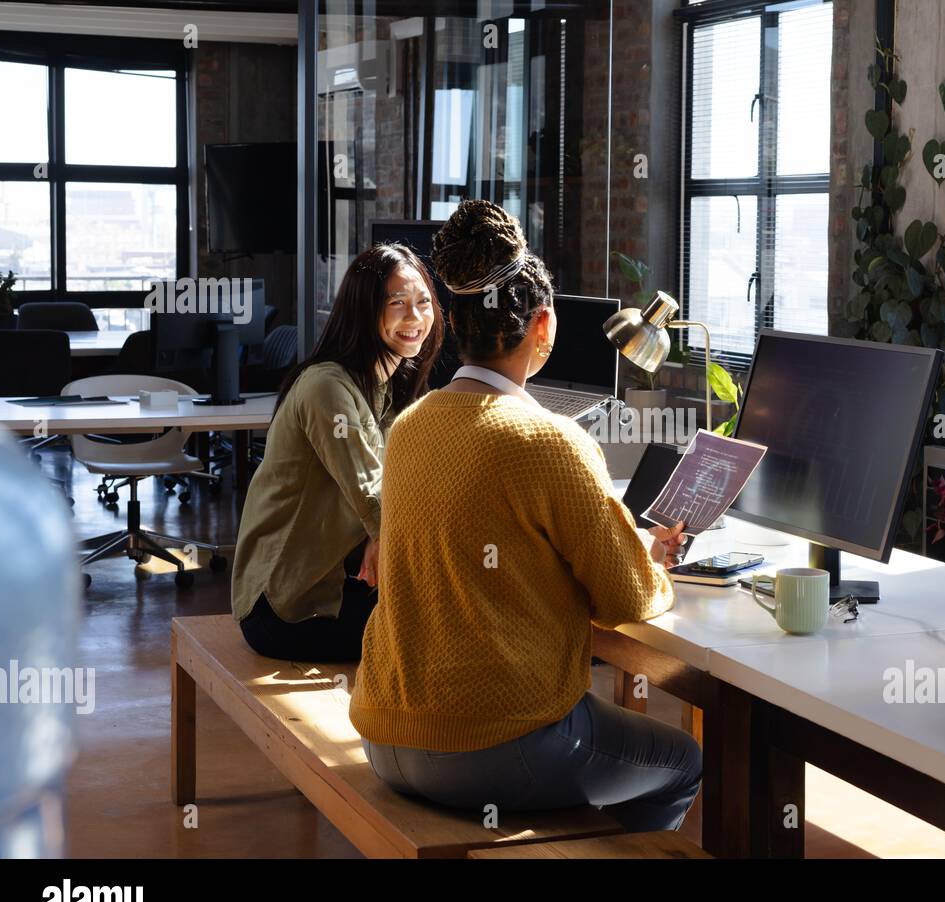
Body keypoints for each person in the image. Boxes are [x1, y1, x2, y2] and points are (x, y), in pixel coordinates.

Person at [350, 199, 701, 832]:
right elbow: (629, 599)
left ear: (453, 326)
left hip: (386, 734)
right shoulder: (553, 441)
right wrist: (642, 558)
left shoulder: (409, 428)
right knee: (683, 759)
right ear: (544, 326)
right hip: (492, 749)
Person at [231, 242, 442, 662]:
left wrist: (374, 533)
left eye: (423, 302)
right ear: (364, 310)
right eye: (397, 303)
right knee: (451, 629)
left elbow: (402, 480)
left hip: (332, 585)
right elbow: (371, 489)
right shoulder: (327, 386)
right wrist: (379, 529)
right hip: (285, 608)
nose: (415, 317)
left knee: (461, 614)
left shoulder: (385, 387)